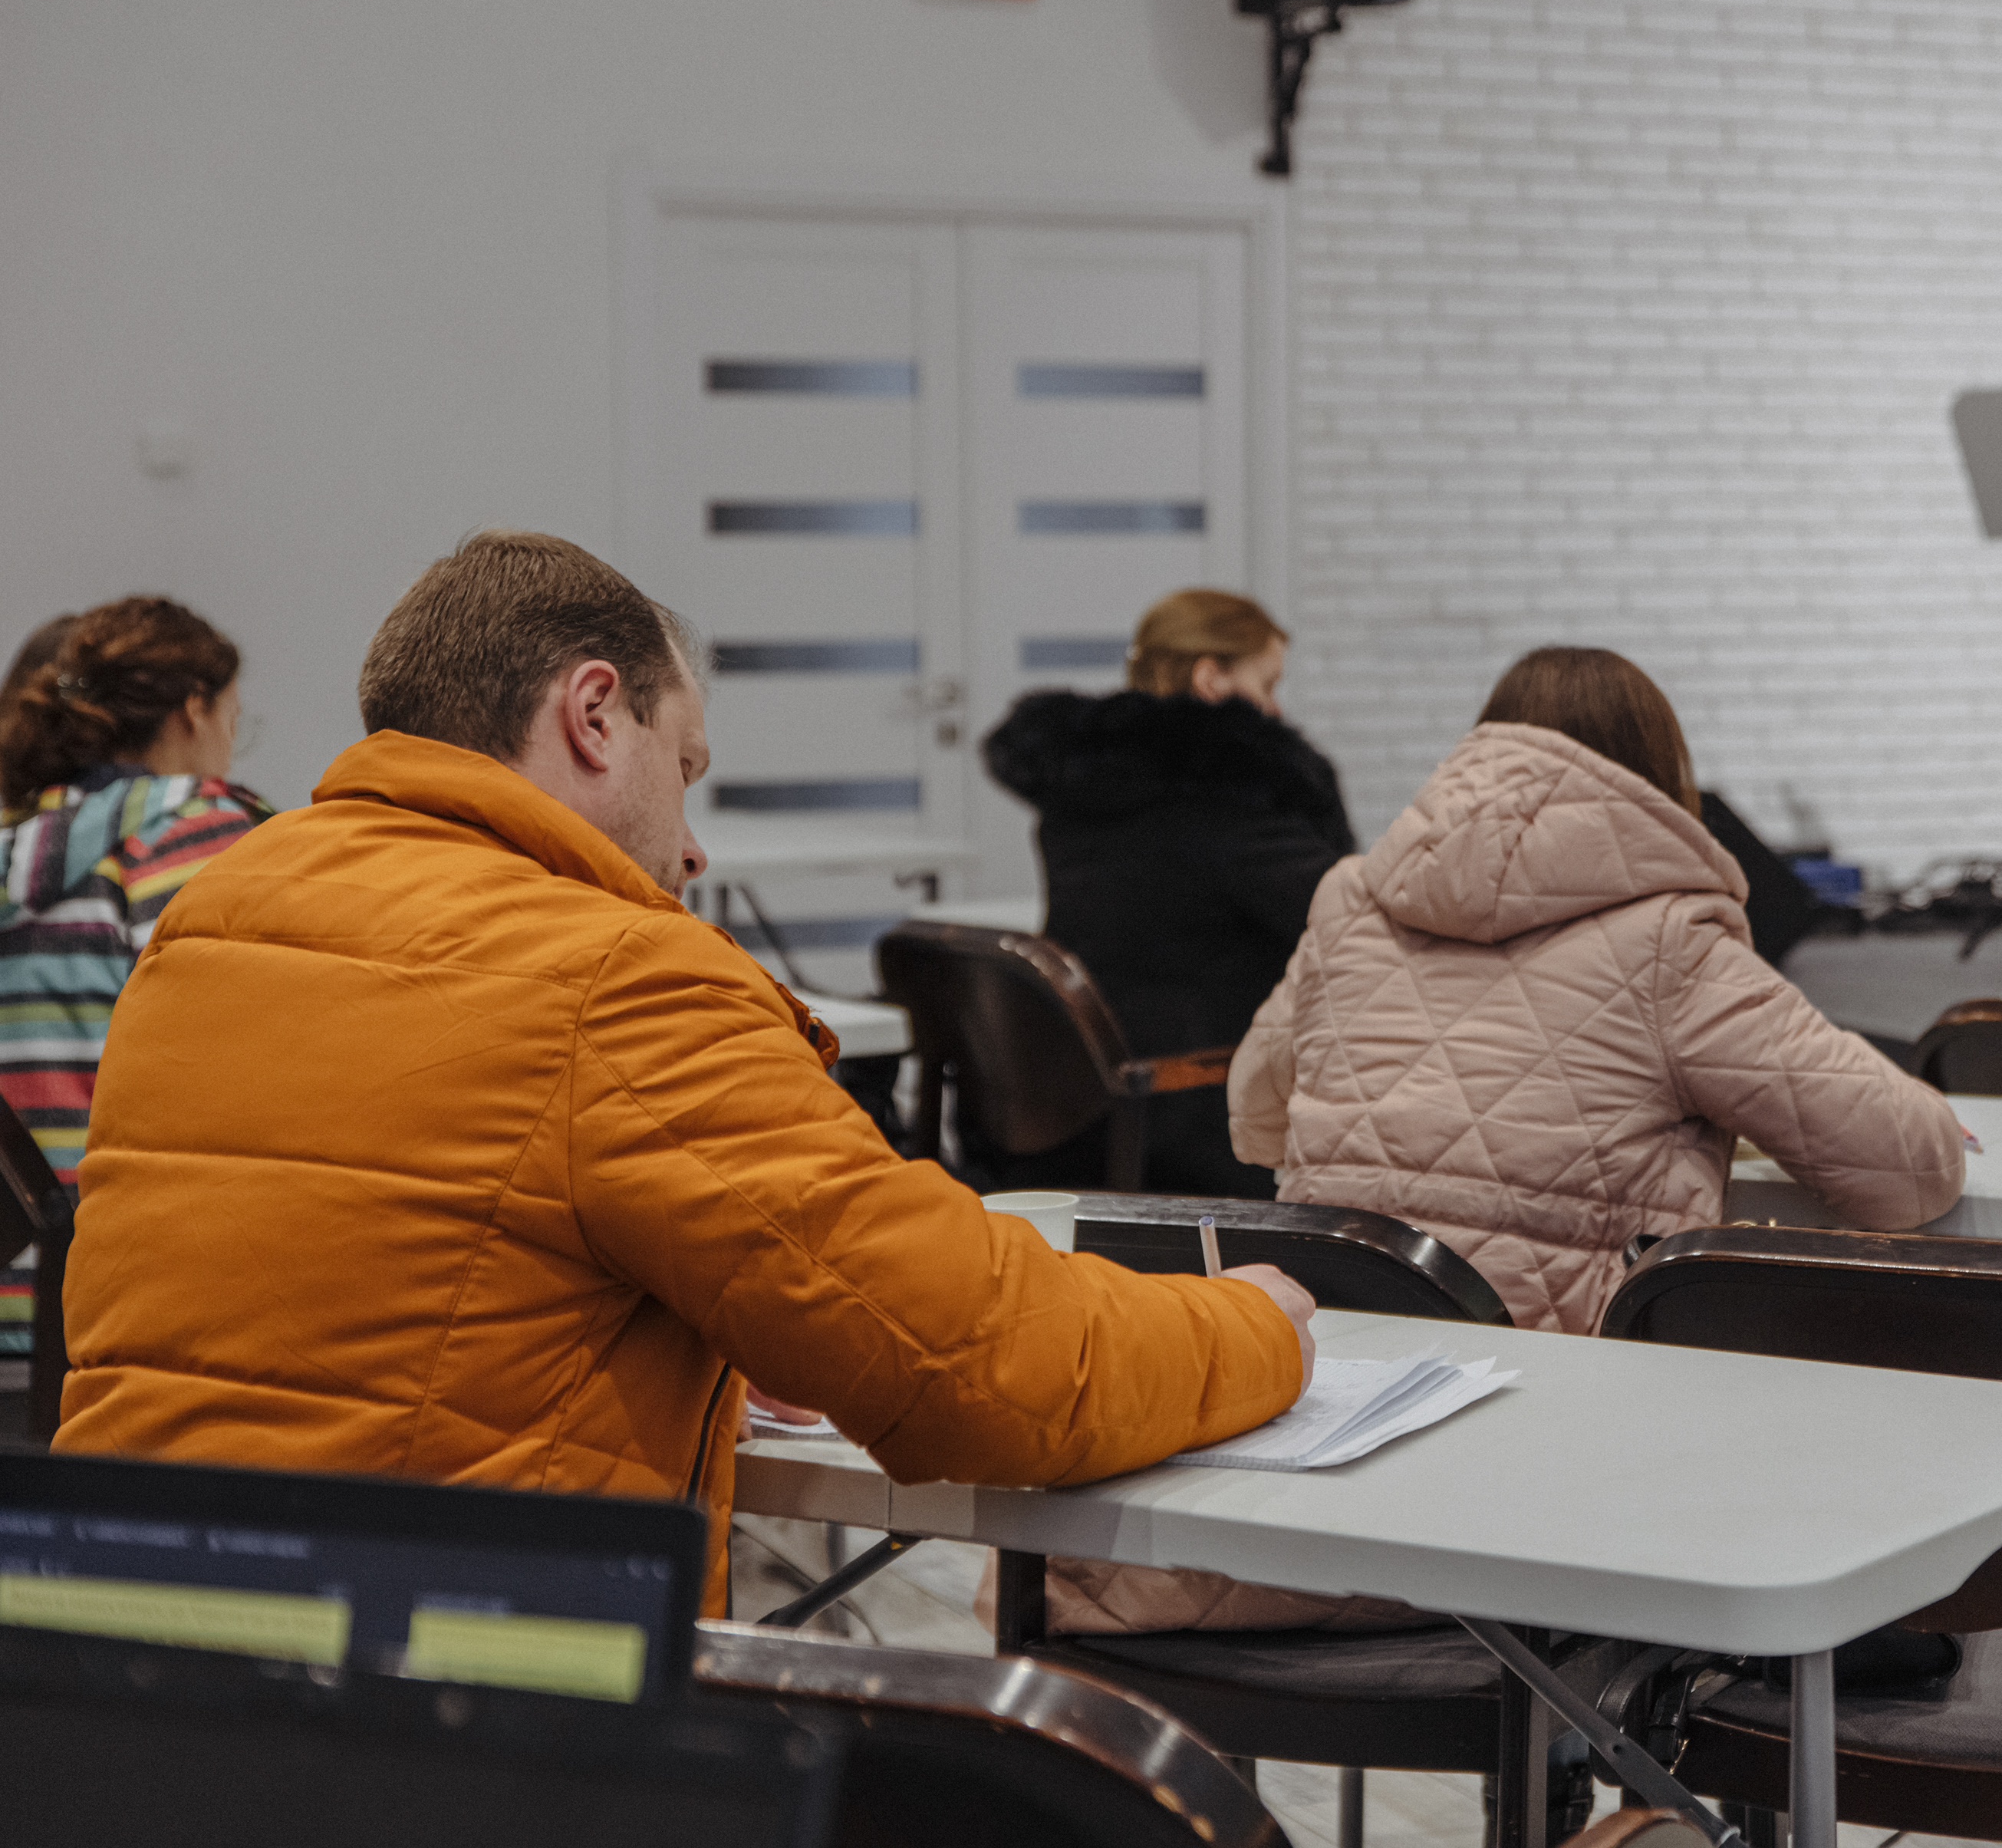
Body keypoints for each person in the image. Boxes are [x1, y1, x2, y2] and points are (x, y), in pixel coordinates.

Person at [51, 530, 1315, 1602]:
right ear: (595, 714)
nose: (693, 846)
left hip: (121, 1663)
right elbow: (991, 1369)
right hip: (447, 1695)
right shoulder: (613, 974)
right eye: (687, 767)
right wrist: (1258, 1326)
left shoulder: (217, 917)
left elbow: (396, 1264)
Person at [1231, 645, 1967, 1333]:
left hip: (1333, 1342)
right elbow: (1910, 1172)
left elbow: (1256, 1120)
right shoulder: (1671, 938)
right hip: (1561, 1366)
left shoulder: (1351, 898)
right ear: (1656, 771)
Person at [980, 590, 1352, 1198]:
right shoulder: (1228, 803)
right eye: (1266, 684)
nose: (1275, 709)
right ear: (1211, 678)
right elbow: (1347, 921)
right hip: (1202, 1112)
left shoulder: (1080, 793)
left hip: (1082, 1105)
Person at [0, 598, 272, 1186]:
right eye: (233, 719)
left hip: (30, 1232)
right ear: (194, 709)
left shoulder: (20, 844)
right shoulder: (194, 832)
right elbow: (244, 1046)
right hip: (144, 1223)